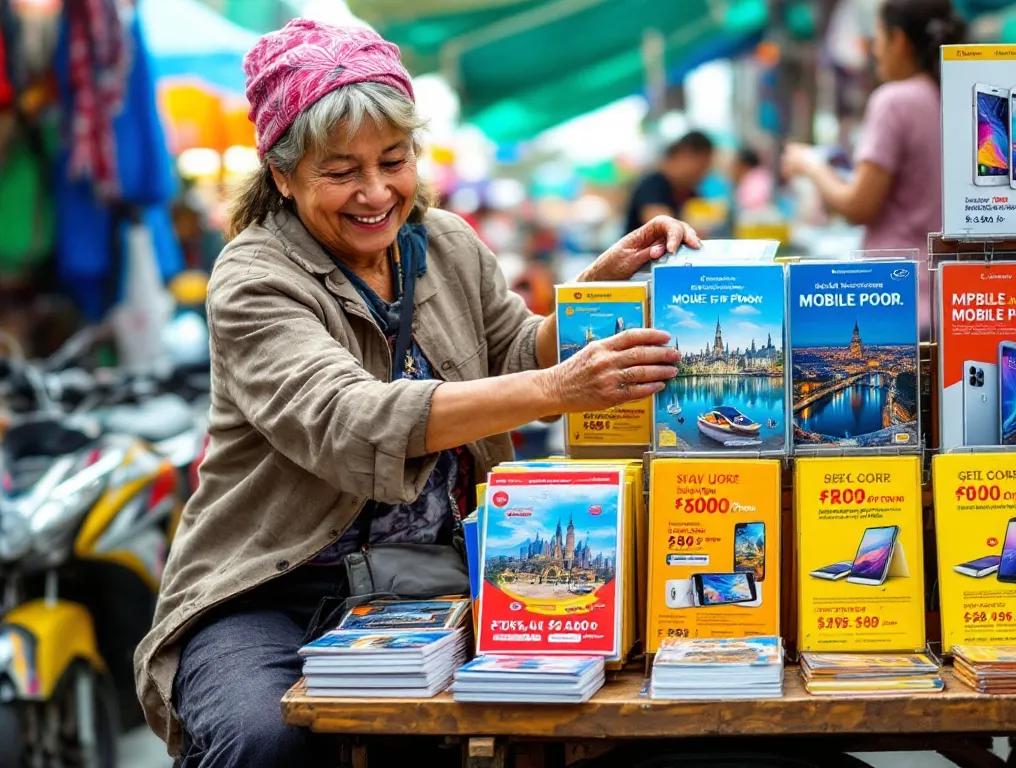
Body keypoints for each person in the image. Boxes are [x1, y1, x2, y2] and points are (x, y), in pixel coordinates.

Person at [133, 20, 699, 766]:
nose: (376, 193)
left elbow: (514, 347)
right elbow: (350, 418)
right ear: (282, 174)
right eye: (341, 172)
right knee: (262, 741)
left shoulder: (447, 244)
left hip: (430, 582)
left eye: (392, 161)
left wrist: (598, 293)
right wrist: (560, 387)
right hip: (270, 590)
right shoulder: (253, 279)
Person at [781, 0, 965, 335]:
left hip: (900, 299)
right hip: (953, 298)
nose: (874, 49)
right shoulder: (955, 97)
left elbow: (858, 205)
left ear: (899, 41)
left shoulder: (895, 101)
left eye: (878, 37)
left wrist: (811, 165)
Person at [624, 129, 715, 233]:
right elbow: (661, 225)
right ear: (683, 154)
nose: (703, 172)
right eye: (701, 165)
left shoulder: (692, 193)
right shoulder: (652, 185)